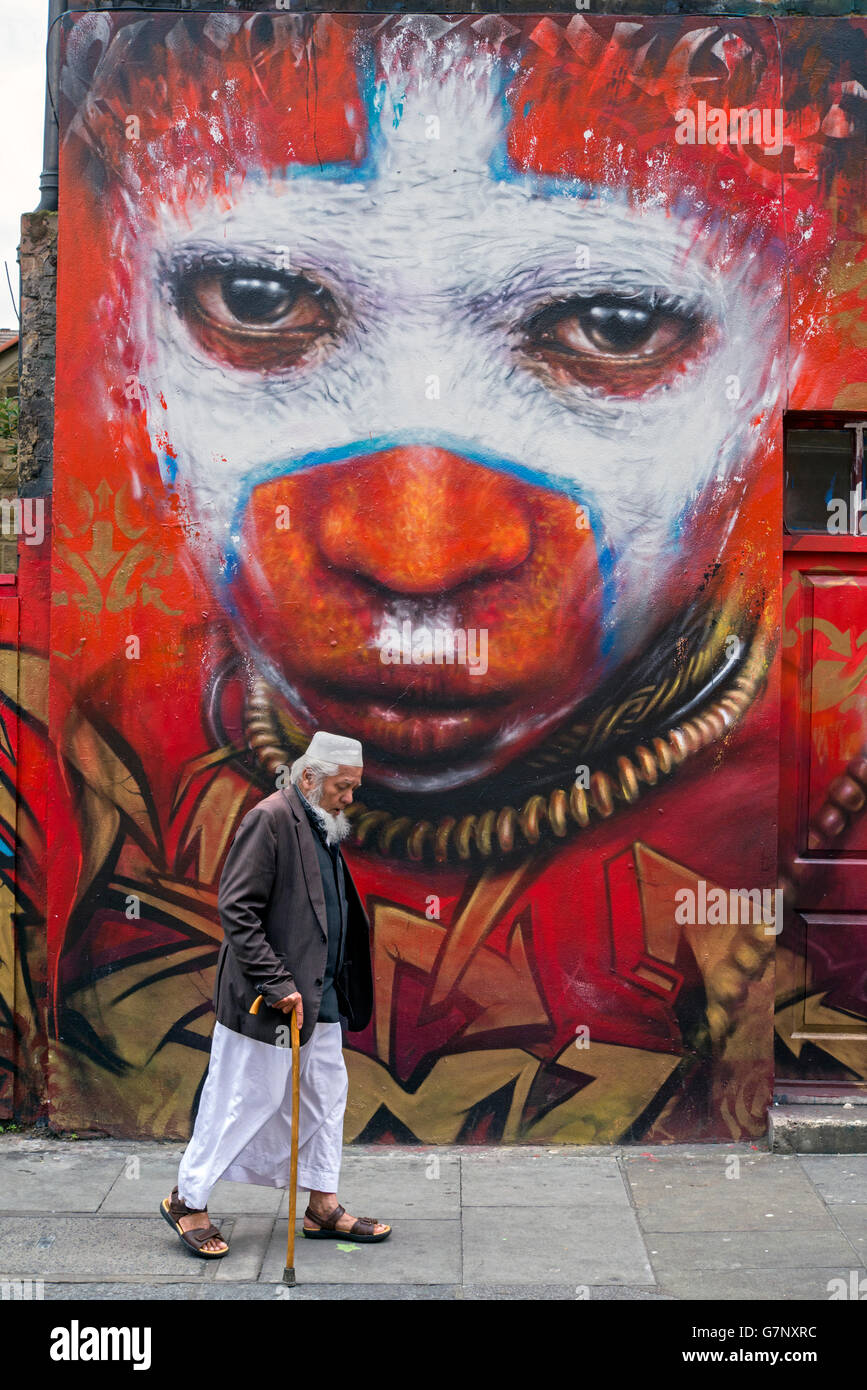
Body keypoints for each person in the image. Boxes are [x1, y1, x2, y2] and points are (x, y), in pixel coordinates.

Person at [160, 730, 389, 1257]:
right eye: (343, 786)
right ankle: (187, 1200)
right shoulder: (269, 819)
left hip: (322, 995)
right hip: (271, 1000)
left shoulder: (323, 822)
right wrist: (278, 982)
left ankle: (322, 1206)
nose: (350, 797)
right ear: (309, 778)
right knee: (240, 1099)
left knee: (326, 1101)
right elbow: (236, 910)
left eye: (354, 787)